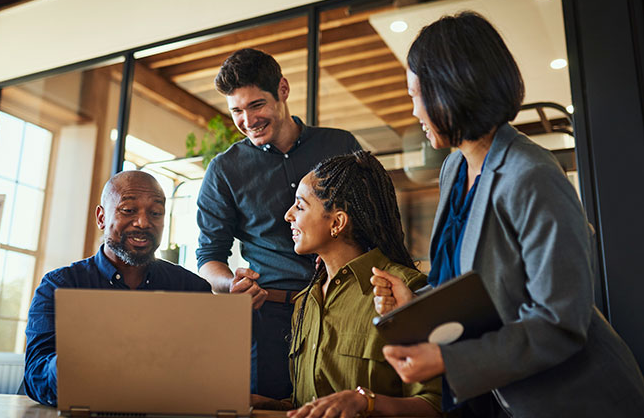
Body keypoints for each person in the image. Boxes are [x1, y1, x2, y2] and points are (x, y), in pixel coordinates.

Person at [371, 11, 644, 417]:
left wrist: (450, 359)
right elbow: (481, 286)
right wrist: (415, 302)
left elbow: (559, 319)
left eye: (415, 95)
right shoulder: (454, 168)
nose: (413, 111)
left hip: (575, 400)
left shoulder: (532, 175)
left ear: (451, 90)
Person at [196, 48, 361, 399]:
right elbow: (208, 257)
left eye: (257, 105)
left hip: (344, 309)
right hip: (270, 319)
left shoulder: (340, 145)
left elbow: (372, 222)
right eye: (236, 111)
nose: (247, 120)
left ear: (283, 90)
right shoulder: (224, 171)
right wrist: (230, 284)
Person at [252, 151, 442, 418]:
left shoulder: (403, 290)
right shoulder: (306, 301)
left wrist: (366, 401)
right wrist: (271, 406)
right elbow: (315, 401)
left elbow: (434, 406)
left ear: (337, 222)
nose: (288, 215)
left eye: (301, 206)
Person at [24, 170, 211, 406]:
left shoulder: (192, 289)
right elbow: (34, 377)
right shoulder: (59, 286)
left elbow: (210, 372)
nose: (143, 223)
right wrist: (69, 363)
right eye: (128, 210)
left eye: (156, 213)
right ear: (102, 217)